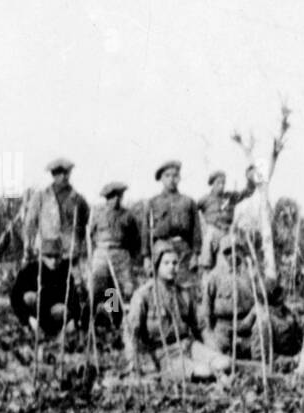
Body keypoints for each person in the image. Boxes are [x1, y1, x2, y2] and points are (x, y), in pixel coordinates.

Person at [124, 239, 230, 380]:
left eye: (175, 263)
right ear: (156, 265)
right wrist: (134, 361)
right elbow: (131, 332)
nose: (172, 267)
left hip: (188, 346)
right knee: (204, 372)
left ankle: (210, 370)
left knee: (224, 363)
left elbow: (201, 327)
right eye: (166, 263)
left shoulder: (184, 294)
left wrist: (214, 351)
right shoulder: (143, 295)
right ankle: (203, 372)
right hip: (164, 354)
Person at [87, 181, 142, 324]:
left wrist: (130, 255)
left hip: (121, 253)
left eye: (119, 196)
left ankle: (117, 321)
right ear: (106, 198)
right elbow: (91, 235)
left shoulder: (127, 216)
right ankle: (89, 321)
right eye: (112, 197)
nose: (116, 200)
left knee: (120, 287)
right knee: (97, 286)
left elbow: (135, 237)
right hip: (102, 252)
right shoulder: (98, 214)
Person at [143, 160, 200, 289]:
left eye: (175, 176)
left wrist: (195, 255)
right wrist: (146, 257)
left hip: (183, 250)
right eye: (167, 176)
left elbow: (196, 230)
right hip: (160, 249)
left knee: (185, 287)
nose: (171, 179)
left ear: (179, 178)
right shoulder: (153, 202)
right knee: (160, 287)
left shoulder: (188, 202)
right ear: (161, 179)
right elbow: (145, 231)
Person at [9, 238, 83, 338]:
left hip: (56, 316)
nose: (53, 261)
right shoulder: (30, 270)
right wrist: (28, 319)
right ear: (41, 256)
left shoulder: (64, 272)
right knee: (29, 297)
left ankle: (57, 332)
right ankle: (34, 331)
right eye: (49, 256)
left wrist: (72, 320)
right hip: (36, 316)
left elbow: (74, 300)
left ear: (61, 256)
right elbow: (15, 297)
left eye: (56, 257)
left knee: (63, 310)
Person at [22, 158, 89, 265]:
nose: (63, 176)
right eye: (58, 173)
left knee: (72, 280)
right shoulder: (41, 197)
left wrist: (78, 241)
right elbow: (30, 224)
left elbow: (87, 224)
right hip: (47, 252)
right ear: (53, 175)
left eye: (66, 173)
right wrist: (28, 247)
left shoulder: (78, 200)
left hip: (70, 252)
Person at [195, 167, 258, 271]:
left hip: (228, 231)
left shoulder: (230, 197)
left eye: (223, 183)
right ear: (212, 184)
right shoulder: (205, 199)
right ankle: (205, 266)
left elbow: (246, 192)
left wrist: (250, 179)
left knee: (236, 245)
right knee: (209, 236)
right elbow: (193, 210)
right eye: (218, 183)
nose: (221, 185)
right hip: (213, 230)